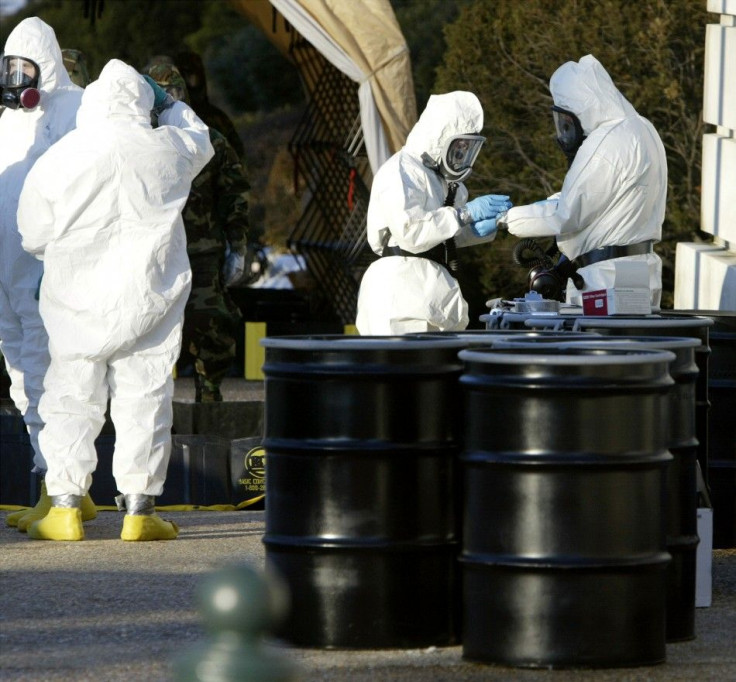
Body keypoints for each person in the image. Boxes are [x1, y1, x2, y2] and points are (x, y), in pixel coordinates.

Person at [17, 58, 214, 541]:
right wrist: (168, 103)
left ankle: (64, 508)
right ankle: (140, 511)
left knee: (70, 396)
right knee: (145, 398)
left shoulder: (61, 157)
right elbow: (201, 139)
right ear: (143, 102)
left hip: (76, 300)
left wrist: (60, 252)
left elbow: (31, 233)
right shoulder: (166, 149)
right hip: (150, 296)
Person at [0, 17, 97, 531]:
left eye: (24, 67)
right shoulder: (7, 121)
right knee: (22, 377)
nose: (16, 80)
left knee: (53, 376)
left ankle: (61, 487)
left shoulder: (77, 109)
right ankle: (52, 480)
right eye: (9, 68)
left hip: (46, 271)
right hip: (7, 276)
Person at [502, 54, 667, 307]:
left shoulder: (606, 141)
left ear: (579, 107)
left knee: (603, 345)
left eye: (566, 122)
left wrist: (507, 219)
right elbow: (610, 199)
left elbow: (566, 215)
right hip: (641, 271)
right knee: (636, 342)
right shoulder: (641, 128)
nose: (565, 132)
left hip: (605, 280)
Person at [356, 91, 512, 334]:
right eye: (459, 146)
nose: (462, 154)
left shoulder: (444, 182)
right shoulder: (401, 170)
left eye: (468, 148)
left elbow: (442, 235)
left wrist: (475, 229)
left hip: (432, 289)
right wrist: (463, 215)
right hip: (399, 293)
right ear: (440, 137)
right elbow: (411, 231)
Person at [145, 62, 252, 402]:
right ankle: (153, 402)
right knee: (149, 329)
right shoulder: (137, 142)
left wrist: (238, 247)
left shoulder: (210, 141)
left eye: (174, 96)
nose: (168, 104)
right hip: (152, 253)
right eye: (162, 97)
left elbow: (235, 193)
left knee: (212, 326)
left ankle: (209, 396)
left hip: (201, 252)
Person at [174, 49, 246, 161]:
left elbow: (238, 154)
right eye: (188, 73)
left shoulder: (216, 116)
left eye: (197, 71)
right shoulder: (176, 123)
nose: (194, 79)